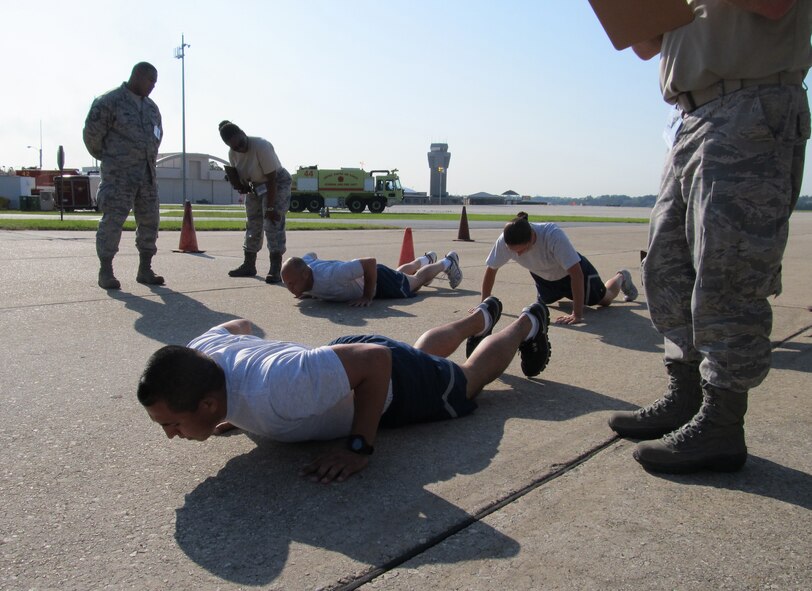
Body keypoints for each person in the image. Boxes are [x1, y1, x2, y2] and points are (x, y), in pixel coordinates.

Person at [608, 0, 810, 474]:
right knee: (666, 266)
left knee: (729, 269)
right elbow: (647, 46)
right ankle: (686, 395)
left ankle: (722, 423)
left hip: (751, 105)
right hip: (688, 116)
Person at [137, 296, 551, 483]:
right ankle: (480, 316)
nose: (169, 433)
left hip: (383, 379)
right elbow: (241, 326)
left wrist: (359, 446)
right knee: (421, 354)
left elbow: (377, 362)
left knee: (466, 380)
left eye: (171, 424)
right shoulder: (200, 354)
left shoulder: (276, 390)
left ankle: (528, 322)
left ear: (207, 403)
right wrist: (235, 407)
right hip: (336, 362)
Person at [83, 62, 165, 290]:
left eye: (155, 82)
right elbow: (92, 137)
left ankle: (145, 269)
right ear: (137, 76)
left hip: (147, 176)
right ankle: (106, 270)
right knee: (113, 221)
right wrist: (114, 159)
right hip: (119, 176)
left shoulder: (152, 109)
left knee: (150, 222)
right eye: (150, 80)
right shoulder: (109, 102)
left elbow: (157, 137)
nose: (153, 86)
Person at [479, 212, 638, 326]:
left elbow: (576, 274)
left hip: (572, 273)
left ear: (532, 238)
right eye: (512, 250)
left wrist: (577, 314)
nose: (517, 255)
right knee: (544, 305)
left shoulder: (552, 235)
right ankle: (565, 296)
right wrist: (484, 306)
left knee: (604, 301)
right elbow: (491, 270)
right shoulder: (505, 242)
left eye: (521, 250)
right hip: (544, 278)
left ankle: (621, 276)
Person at [218, 120, 292, 283]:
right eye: (234, 147)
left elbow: (272, 179)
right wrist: (239, 184)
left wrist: (271, 207)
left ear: (244, 134)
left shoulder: (261, 145)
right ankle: (249, 264)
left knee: (272, 222)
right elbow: (243, 176)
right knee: (253, 222)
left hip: (276, 183)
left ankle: (275, 268)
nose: (240, 148)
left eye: (241, 143)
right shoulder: (233, 154)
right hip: (256, 186)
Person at [280, 250, 463, 307]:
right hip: (372, 276)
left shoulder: (334, 275)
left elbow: (369, 263)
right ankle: (425, 260)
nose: (290, 288)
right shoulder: (305, 267)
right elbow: (310, 255)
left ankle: (447, 262)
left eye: (292, 283)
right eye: (286, 284)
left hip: (378, 280)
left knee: (415, 282)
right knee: (401, 274)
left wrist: (367, 296)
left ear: (305, 274)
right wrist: (309, 291)